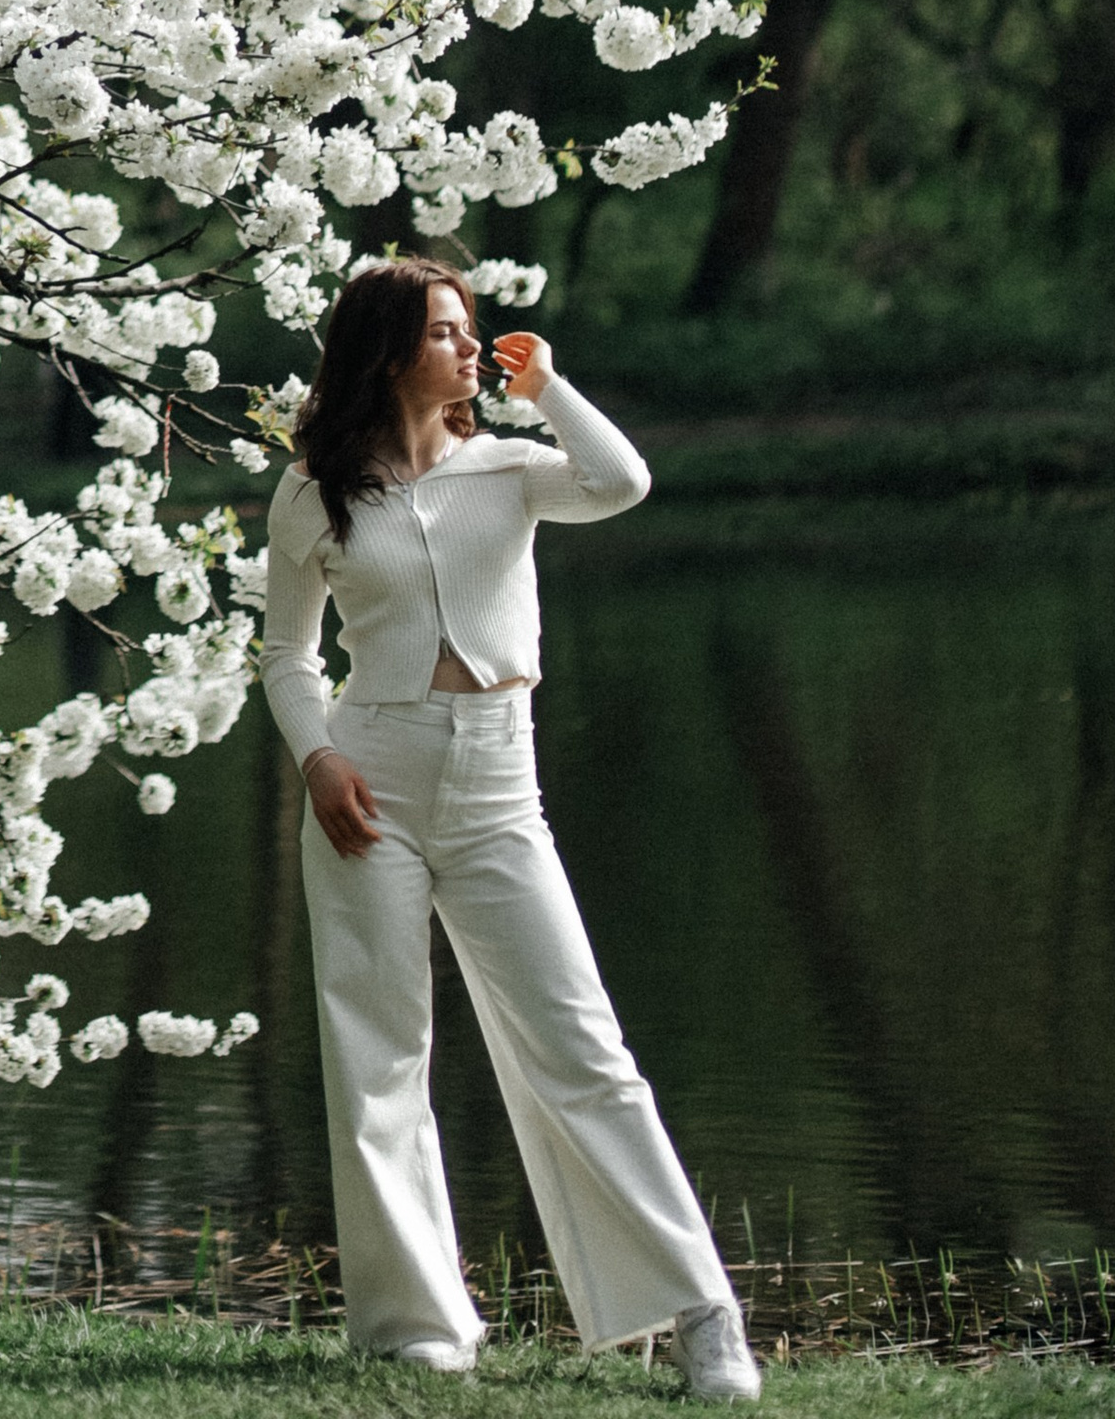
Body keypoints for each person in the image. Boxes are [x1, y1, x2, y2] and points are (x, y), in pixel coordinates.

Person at [261, 256, 760, 1396]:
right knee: (378, 1057)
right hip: (367, 782)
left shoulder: (512, 467)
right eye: (445, 331)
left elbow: (623, 480)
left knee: (584, 1049)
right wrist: (319, 757)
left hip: (499, 786)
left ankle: (698, 1310)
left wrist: (551, 391)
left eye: (468, 328)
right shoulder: (316, 489)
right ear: (390, 353)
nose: (469, 347)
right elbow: (286, 655)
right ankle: (415, 1326)